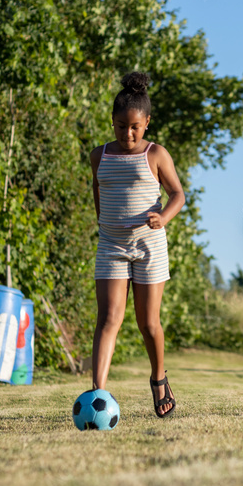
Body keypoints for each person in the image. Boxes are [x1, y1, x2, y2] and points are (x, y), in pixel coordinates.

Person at [89, 71, 185, 418]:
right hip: (112, 245)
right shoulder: (98, 155)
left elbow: (178, 194)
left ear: (146, 122)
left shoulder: (156, 154)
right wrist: (107, 224)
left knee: (148, 323)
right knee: (109, 318)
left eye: (134, 127)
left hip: (149, 246)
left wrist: (164, 218)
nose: (127, 133)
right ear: (112, 123)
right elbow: (99, 192)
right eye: (119, 126)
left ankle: (158, 378)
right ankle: (97, 392)